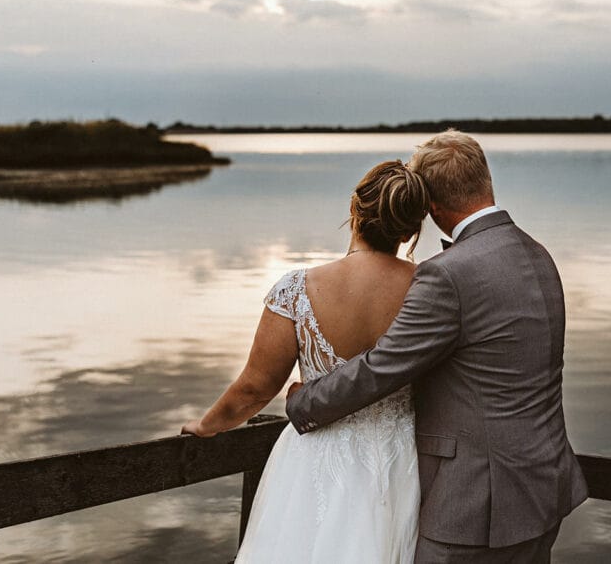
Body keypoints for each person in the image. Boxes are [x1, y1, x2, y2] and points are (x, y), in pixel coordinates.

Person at [287, 130, 589, 563]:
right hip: (546, 489)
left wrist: (305, 402)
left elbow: (381, 367)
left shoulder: (447, 275)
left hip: (474, 508)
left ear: (429, 205)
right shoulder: (538, 253)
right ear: (484, 180)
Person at [182, 159, 431, 563]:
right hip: (403, 462)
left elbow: (255, 388)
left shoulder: (297, 289)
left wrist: (207, 425)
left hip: (315, 461)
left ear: (355, 208)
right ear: (410, 230)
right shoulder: (431, 287)